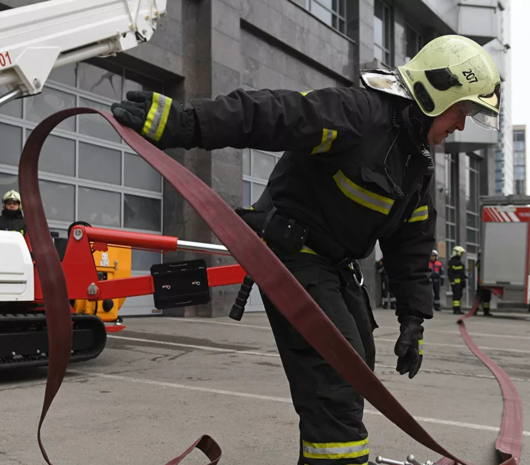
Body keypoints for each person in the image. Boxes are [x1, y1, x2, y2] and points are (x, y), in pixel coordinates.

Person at [111, 34, 501, 465]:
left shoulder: (416, 163)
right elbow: (272, 114)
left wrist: (414, 319)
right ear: (435, 93)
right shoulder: (358, 114)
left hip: (334, 264)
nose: (461, 125)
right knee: (337, 370)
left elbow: (410, 245)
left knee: (359, 363)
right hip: (291, 251)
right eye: (462, 111)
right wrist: (186, 122)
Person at [447, 246, 467, 314]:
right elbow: (450, 273)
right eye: (461, 253)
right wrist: (452, 281)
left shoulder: (459, 261)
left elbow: (460, 272)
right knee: (456, 297)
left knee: (459, 296)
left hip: (460, 282)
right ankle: (456, 310)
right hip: (455, 283)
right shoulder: (452, 262)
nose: (461, 255)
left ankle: (458, 309)